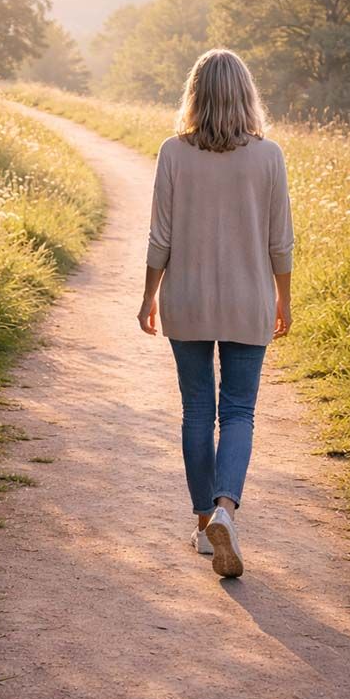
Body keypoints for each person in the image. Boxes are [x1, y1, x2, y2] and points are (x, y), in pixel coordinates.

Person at [137, 49, 294, 579]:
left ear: (195, 95)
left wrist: (148, 296)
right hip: (250, 299)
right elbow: (281, 242)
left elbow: (160, 237)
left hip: (188, 298)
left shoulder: (172, 153)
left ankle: (205, 525)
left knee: (198, 410)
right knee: (240, 412)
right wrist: (284, 298)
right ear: (246, 94)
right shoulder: (269, 155)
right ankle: (227, 508)